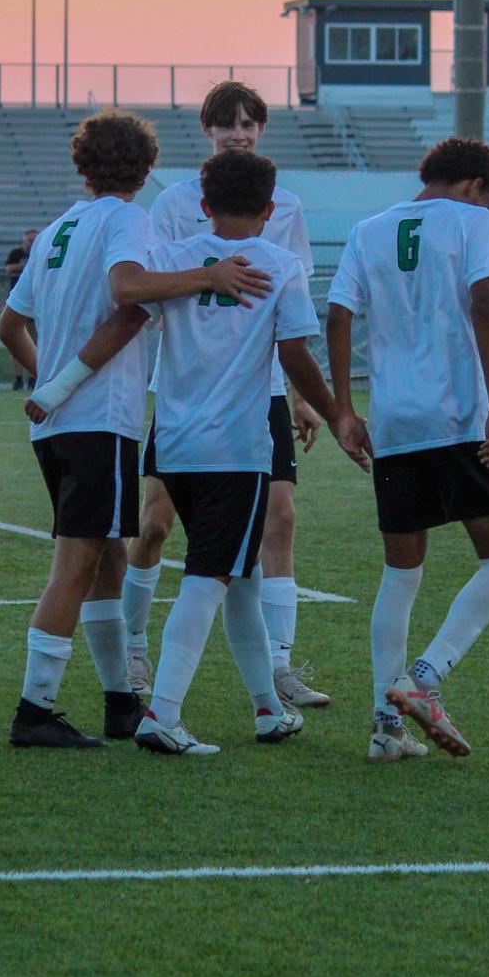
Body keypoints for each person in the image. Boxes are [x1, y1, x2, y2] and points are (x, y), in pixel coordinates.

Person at [0, 114, 272, 750]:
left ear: (80, 165)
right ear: (147, 170)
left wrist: (50, 383)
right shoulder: (127, 220)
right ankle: (34, 710)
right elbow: (129, 296)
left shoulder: (59, 229)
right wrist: (209, 274)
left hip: (62, 424)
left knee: (109, 559)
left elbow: (9, 326)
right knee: (77, 561)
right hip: (99, 419)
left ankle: (121, 700)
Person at [122, 80, 327, 711]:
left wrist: (299, 394)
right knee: (156, 524)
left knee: (280, 518)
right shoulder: (176, 205)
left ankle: (280, 669)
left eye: (248, 122)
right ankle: (135, 648)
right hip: (187, 387)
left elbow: (288, 309)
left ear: (262, 130)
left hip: (257, 388)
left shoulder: (283, 204)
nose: (238, 131)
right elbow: (145, 290)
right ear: (208, 131)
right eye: (226, 123)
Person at [326, 136, 489, 763]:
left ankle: (386, 729)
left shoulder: (369, 229)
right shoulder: (472, 221)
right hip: (458, 417)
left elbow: (337, 314)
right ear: (474, 186)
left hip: (394, 423)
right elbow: (484, 304)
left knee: (400, 574)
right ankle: (425, 679)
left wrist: (343, 409)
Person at [3, 228, 37, 389]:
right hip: (18, 303)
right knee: (17, 344)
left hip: (37, 304)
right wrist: (26, 266)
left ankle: (34, 377)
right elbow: (9, 268)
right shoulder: (17, 254)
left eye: (34, 239)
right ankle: (18, 378)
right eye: (29, 240)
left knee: (36, 343)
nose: (32, 243)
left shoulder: (42, 251)